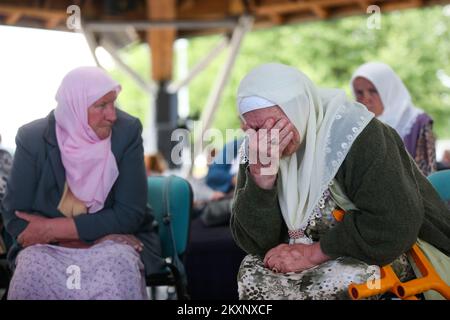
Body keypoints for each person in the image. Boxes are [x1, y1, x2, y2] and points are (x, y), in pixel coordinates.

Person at [231, 63, 450, 300]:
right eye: (253, 127)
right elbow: (254, 242)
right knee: (251, 272)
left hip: (382, 249)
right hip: (302, 256)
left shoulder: (358, 134)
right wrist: (262, 181)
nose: (266, 137)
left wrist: (313, 253)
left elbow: (395, 223)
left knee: (333, 281)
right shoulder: (257, 149)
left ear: (299, 109)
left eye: (272, 125)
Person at [1, 66, 163, 300]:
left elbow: (129, 214)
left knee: (117, 268)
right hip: (50, 250)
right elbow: (15, 217)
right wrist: (94, 235)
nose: (112, 115)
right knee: (32, 270)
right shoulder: (32, 138)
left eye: (113, 103)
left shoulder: (126, 132)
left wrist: (49, 229)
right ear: (74, 106)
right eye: (101, 106)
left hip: (113, 247)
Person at [351, 62, 437, 176]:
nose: (366, 98)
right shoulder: (355, 126)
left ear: (389, 90)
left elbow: (427, 176)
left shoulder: (417, 123)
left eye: (373, 91)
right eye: (359, 92)